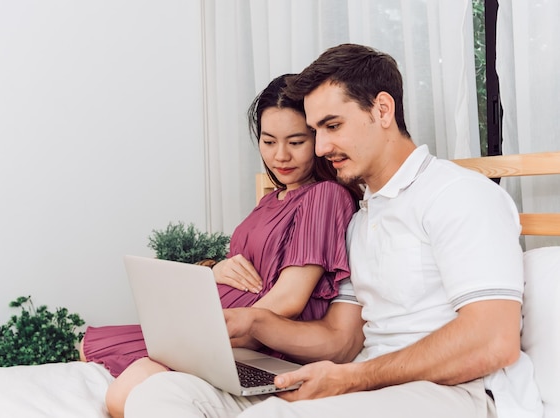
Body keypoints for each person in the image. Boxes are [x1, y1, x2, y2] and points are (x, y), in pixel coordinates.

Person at [124, 44, 543, 418]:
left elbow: (493, 340)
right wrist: (254, 323)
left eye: (332, 126)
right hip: (365, 381)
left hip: (455, 392)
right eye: (317, 130)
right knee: (162, 395)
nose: (321, 148)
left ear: (382, 110)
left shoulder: (457, 194)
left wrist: (354, 378)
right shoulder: (362, 218)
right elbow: (339, 341)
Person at [80, 73, 362, 418]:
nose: (281, 156)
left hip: (251, 337)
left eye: (296, 142)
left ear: (317, 140)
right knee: (89, 346)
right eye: (269, 142)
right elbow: (242, 267)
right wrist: (215, 270)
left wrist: (214, 335)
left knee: (122, 396)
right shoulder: (271, 199)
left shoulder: (325, 195)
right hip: (219, 326)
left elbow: (289, 299)